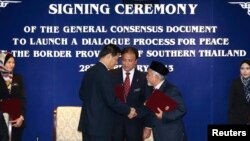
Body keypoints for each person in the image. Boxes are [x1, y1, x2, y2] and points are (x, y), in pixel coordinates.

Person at [78, 44, 137, 141]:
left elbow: (82, 94)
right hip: (101, 127)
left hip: (87, 125)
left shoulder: (90, 71)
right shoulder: (105, 74)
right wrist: (128, 110)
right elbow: (111, 101)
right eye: (116, 59)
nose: (116, 63)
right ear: (109, 56)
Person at [143, 60, 187, 141]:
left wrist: (164, 116)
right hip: (158, 134)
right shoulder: (151, 90)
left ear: (155, 76)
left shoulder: (171, 90)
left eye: (148, 74)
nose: (146, 77)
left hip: (171, 136)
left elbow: (182, 110)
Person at [110, 47, 147, 141]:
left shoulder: (144, 78)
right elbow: (108, 99)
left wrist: (137, 114)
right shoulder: (111, 75)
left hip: (135, 126)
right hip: (114, 125)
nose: (126, 63)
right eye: (124, 60)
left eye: (130, 61)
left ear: (136, 61)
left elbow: (147, 102)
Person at [0, 52, 26, 141]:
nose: (12, 65)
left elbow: (22, 98)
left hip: (17, 120)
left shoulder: (19, 78)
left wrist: (21, 117)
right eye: (9, 62)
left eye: (13, 62)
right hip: (1, 120)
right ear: (2, 62)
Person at [228, 59, 250, 124]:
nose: (245, 71)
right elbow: (231, 105)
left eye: (247, 68)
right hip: (238, 119)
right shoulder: (235, 83)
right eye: (242, 68)